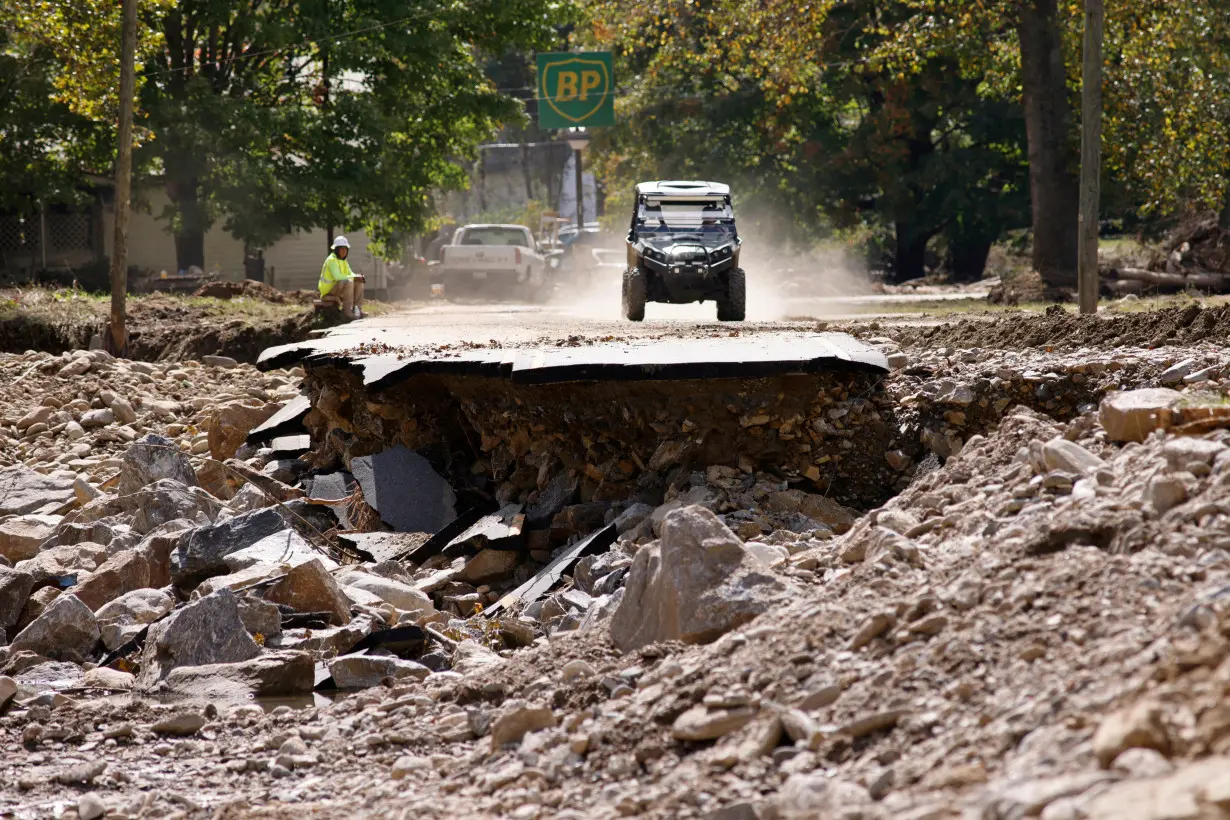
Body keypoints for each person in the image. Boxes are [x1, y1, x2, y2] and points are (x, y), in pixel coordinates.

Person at [318, 236, 365, 319]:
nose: (344, 251)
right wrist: (353, 277)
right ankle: (346, 311)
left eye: (346, 249)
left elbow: (350, 273)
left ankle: (357, 310)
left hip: (338, 288)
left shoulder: (344, 261)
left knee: (359, 281)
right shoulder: (331, 260)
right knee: (349, 281)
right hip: (328, 291)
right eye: (342, 249)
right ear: (336, 250)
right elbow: (338, 277)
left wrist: (358, 277)